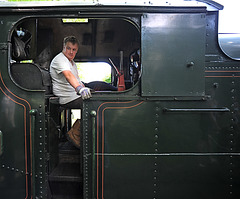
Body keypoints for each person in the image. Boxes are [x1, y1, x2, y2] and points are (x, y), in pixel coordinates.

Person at [50, 36, 91, 148]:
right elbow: (68, 75)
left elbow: (76, 79)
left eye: (74, 50)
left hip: (73, 95)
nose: (71, 52)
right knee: (94, 106)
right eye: (69, 48)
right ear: (64, 47)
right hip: (67, 97)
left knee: (96, 99)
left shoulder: (71, 62)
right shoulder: (60, 59)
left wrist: (85, 87)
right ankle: (74, 134)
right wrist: (79, 89)